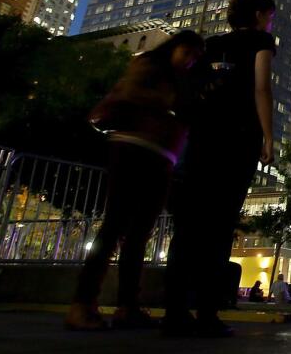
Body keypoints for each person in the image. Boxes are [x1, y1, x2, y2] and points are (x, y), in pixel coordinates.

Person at [66, 31, 205, 331]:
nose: (190, 61)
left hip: (162, 156)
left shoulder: (182, 80)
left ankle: (128, 305)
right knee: (114, 226)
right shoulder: (149, 64)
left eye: (195, 57)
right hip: (131, 148)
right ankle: (83, 302)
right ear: (175, 46)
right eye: (188, 53)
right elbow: (130, 93)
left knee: (140, 234)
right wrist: (171, 102)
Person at [163, 0, 276, 338]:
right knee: (220, 223)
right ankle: (208, 313)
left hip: (200, 140)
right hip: (236, 138)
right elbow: (261, 87)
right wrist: (268, 136)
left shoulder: (210, 45)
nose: (270, 23)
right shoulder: (261, 40)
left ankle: (175, 313)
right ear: (259, 16)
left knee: (188, 227)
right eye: (269, 17)